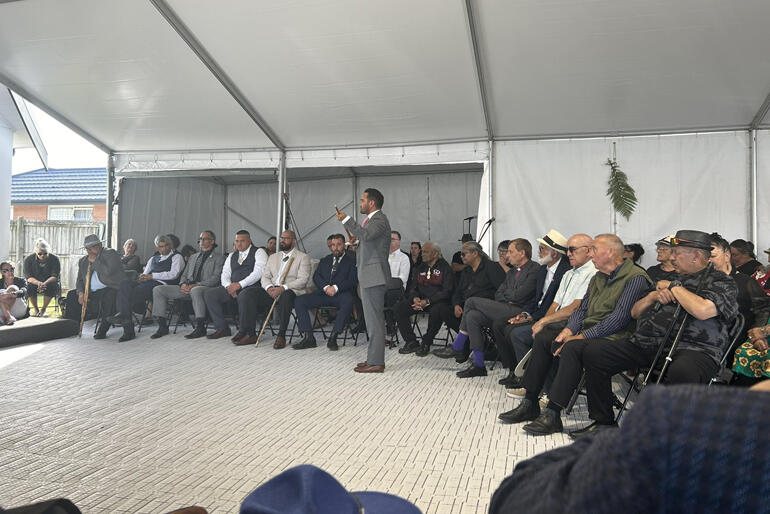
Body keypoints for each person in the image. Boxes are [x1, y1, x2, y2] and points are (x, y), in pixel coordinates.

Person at [488, 383, 770, 514]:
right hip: (637, 338)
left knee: (583, 348)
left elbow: (518, 501)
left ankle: (563, 411)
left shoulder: (690, 422)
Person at [569, 230, 738, 438]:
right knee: (595, 351)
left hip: (696, 349)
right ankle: (603, 422)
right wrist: (652, 296)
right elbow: (635, 312)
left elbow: (703, 310)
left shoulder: (721, 282)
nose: (672, 257)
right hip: (651, 343)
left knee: (683, 370)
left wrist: (675, 288)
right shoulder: (665, 277)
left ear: (696, 256)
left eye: (677, 252)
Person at [497, 233, 651, 435]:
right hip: (590, 331)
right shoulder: (599, 277)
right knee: (546, 337)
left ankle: (553, 412)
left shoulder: (635, 278)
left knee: (572, 346)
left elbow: (619, 319)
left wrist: (579, 336)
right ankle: (530, 401)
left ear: (611, 252)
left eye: (594, 250)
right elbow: (582, 310)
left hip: (617, 337)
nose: (591, 254)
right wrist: (569, 330)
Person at [434, 238, 540, 378]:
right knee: (472, 316)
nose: (507, 255)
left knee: (471, 302)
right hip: (504, 307)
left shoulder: (534, 269)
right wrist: (510, 295)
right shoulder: (512, 272)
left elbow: (520, 295)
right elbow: (499, 294)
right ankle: (479, 365)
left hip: (521, 311)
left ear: (522, 253)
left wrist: (509, 295)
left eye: (510, 251)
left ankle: (458, 345)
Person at [493, 230, 575, 387]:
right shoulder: (544, 270)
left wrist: (535, 318)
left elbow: (556, 304)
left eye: (543, 249)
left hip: (552, 317)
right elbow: (537, 299)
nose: (539, 252)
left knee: (513, 332)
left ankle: (528, 377)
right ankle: (514, 371)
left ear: (555, 253)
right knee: (501, 325)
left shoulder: (565, 271)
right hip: (537, 312)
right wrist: (525, 314)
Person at [336, 188, 391, 373]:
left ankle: (376, 362)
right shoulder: (372, 220)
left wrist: (346, 220)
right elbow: (368, 242)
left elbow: (367, 235)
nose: (360, 203)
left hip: (374, 276)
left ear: (372, 203)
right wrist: (356, 244)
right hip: (369, 275)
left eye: (362, 200)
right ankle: (372, 358)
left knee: (374, 320)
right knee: (371, 320)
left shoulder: (379, 219)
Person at [150, 231, 226, 339]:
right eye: (200, 239)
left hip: (205, 288)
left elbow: (215, 278)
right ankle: (162, 326)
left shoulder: (219, 258)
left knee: (196, 290)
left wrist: (195, 285)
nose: (201, 241)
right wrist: (183, 284)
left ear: (212, 241)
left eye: (205, 239)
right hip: (187, 288)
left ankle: (200, 327)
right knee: (158, 289)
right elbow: (184, 274)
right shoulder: (194, 257)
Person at [110, 234, 184, 341]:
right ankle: (124, 316)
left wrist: (152, 276)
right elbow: (145, 273)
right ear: (157, 247)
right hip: (147, 283)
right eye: (161, 246)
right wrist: (142, 277)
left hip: (162, 285)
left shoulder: (177, 257)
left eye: (167, 245)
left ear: (170, 245)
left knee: (127, 297)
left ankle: (127, 327)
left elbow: (173, 274)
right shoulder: (153, 259)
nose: (165, 248)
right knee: (124, 284)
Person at [292, 234, 357, 351]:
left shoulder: (352, 261)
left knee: (348, 301)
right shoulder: (325, 260)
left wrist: (336, 288)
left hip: (341, 294)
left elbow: (352, 280)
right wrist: (326, 287)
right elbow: (317, 277)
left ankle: (334, 337)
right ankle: (308, 338)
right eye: (333, 245)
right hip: (324, 293)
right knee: (300, 300)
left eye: (338, 244)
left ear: (344, 245)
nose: (335, 248)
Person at [203, 230, 268, 342]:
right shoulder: (232, 255)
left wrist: (239, 285)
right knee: (210, 294)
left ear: (249, 241)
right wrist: (229, 287)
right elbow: (225, 273)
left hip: (254, 288)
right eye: (237, 241)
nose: (239, 244)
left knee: (245, 294)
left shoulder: (259, 252)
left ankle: (247, 332)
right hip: (233, 288)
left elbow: (259, 272)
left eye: (242, 241)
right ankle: (222, 328)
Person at [393, 241, 455, 356]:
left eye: (426, 252)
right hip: (420, 301)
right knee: (399, 307)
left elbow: (447, 291)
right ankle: (411, 341)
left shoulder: (445, 268)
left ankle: (426, 342)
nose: (422, 254)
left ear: (435, 254)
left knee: (438, 311)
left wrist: (428, 301)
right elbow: (413, 287)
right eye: (422, 252)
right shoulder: (420, 267)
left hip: (437, 302)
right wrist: (415, 298)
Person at [252, 230, 311, 348]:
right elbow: (265, 276)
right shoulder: (273, 257)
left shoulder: (302, 257)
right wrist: (269, 288)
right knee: (249, 293)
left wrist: (283, 288)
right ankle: (248, 332)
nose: (282, 240)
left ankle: (281, 335)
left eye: (286, 238)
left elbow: (303, 280)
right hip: (272, 291)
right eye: (282, 238)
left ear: (294, 241)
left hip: (291, 291)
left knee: (286, 295)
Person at [709, 233, 770, 346]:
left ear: (727, 256)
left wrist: (756, 335)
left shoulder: (745, 282)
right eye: (704, 257)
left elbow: (763, 309)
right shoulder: (698, 282)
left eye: (712, 256)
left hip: (735, 341)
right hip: (703, 339)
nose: (708, 261)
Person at [72, 235, 125, 340]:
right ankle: (72, 328)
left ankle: (103, 330)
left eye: (93, 247)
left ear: (100, 245)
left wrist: (95, 261)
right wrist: (80, 293)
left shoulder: (110, 254)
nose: (90, 251)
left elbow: (108, 272)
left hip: (111, 286)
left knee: (109, 296)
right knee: (70, 297)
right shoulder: (83, 261)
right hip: (91, 291)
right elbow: (80, 280)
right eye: (88, 248)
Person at [23, 238, 61, 316]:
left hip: (49, 281)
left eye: (45, 253)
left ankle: (43, 309)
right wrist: (38, 283)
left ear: (48, 252)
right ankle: (36, 310)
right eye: (40, 254)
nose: (42, 255)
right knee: (29, 287)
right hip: (34, 281)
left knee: (53, 286)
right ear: (36, 252)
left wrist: (44, 283)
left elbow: (55, 276)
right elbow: (28, 277)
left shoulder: (55, 259)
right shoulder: (28, 259)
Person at [385, 230, 411, 337]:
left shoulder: (404, 257)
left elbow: (402, 279)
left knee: (388, 295)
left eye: (392, 239)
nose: (389, 242)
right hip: (383, 288)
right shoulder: (382, 256)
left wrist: (386, 283)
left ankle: (390, 324)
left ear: (399, 242)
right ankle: (367, 325)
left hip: (398, 290)